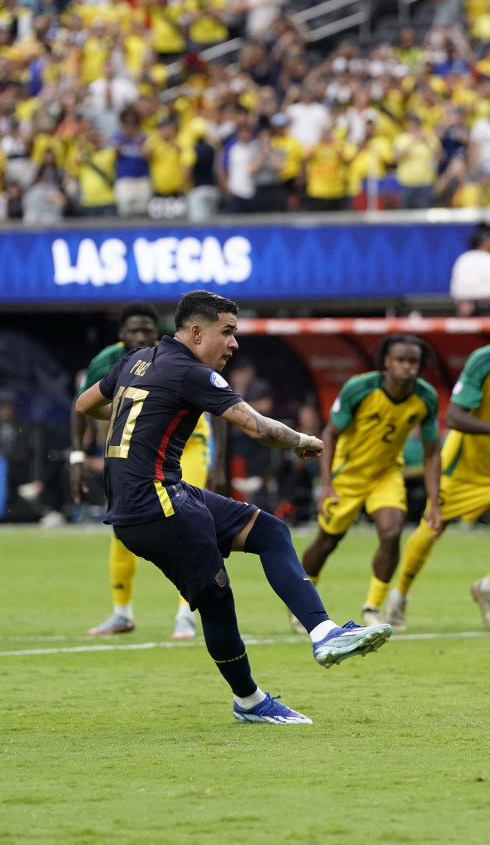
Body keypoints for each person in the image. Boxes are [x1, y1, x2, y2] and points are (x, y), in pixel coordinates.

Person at [75, 290, 392, 725]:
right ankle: (250, 701)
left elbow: (84, 404)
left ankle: (323, 633)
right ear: (196, 332)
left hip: (156, 496)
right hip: (157, 506)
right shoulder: (192, 372)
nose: (234, 344)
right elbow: (259, 428)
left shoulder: (136, 360)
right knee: (217, 600)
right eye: (228, 333)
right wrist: (302, 441)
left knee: (270, 531)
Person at [386, 303, 490, 632]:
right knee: (432, 527)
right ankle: (399, 597)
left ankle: (486, 589)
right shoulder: (484, 361)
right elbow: (454, 417)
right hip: (463, 462)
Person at [70, 302, 214, 640]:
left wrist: (218, 462)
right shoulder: (108, 362)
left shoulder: (180, 354)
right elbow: (80, 406)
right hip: (138, 447)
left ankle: (186, 613)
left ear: (157, 331)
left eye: (146, 330)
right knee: (122, 523)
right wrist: (77, 456)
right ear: (120, 334)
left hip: (189, 444)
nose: (140, 336)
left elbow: (218, 399)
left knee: (190, 521)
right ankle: (121, 613)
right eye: (132, 330)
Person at [298, 335, 442, 629]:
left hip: (386, 475)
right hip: (347, 474)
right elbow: (331, 434)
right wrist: (326, 485)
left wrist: (434, 502)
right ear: (386, 362)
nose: (407, 368)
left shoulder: (426, 398)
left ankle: (372, 607)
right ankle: (301, 602)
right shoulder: (360, 388)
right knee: (327, 541)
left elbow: (431, 453)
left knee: (391, 533)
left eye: (413, 362)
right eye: (400, 360)